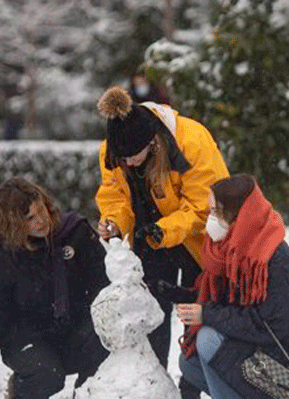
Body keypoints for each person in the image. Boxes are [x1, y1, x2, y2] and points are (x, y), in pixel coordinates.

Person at [176, 174, 289, 399]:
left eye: (217, 212)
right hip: (269, 349)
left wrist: (206, 314)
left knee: (208, 339)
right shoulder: (234, 250)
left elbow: (266, 325)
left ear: (240, 216)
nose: (211, 219)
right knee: (190, 366)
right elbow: (229, 302)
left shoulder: (271, 259)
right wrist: (172, 294)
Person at [94, 87, 229, 371]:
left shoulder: (191, 141)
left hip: (197, 238)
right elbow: (114, 194)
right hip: (150, 238)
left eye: (133, 156)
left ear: (152, 143)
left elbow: (203, 206)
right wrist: (114, 221)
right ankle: (157, 385)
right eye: (122, 159)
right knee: (153, 308)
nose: (127, 163)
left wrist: (164, 230)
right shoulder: (113, 150)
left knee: (196, 309)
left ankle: (192, 388)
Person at [0, 177, 110, 399]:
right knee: (46, 375)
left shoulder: (75, 232)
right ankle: (22, 392)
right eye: (29, 219)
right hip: (26, 339)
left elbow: (106, 288)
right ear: (13, 225)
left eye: (41, 211)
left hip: (75, 329)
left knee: (105, 340)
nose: (41, 221)